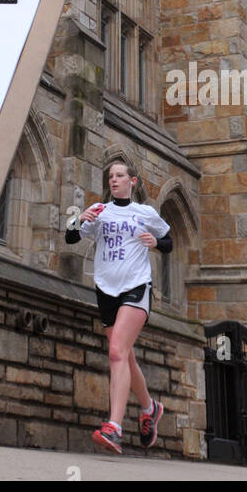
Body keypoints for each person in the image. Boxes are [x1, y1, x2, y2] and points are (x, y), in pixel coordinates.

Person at [64, 154, 172, 455]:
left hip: (136, 286)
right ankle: (150, 409)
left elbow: (169, 242)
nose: (114, 180)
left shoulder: (144, 212)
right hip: (106, 289)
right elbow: (71, 237)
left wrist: (156, 243)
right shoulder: (100, 211)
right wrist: (79, 219)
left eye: (120, 175)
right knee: (124, 356)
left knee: (115, 352)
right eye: (111, 176)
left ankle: (114, 426)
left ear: (132, 181)